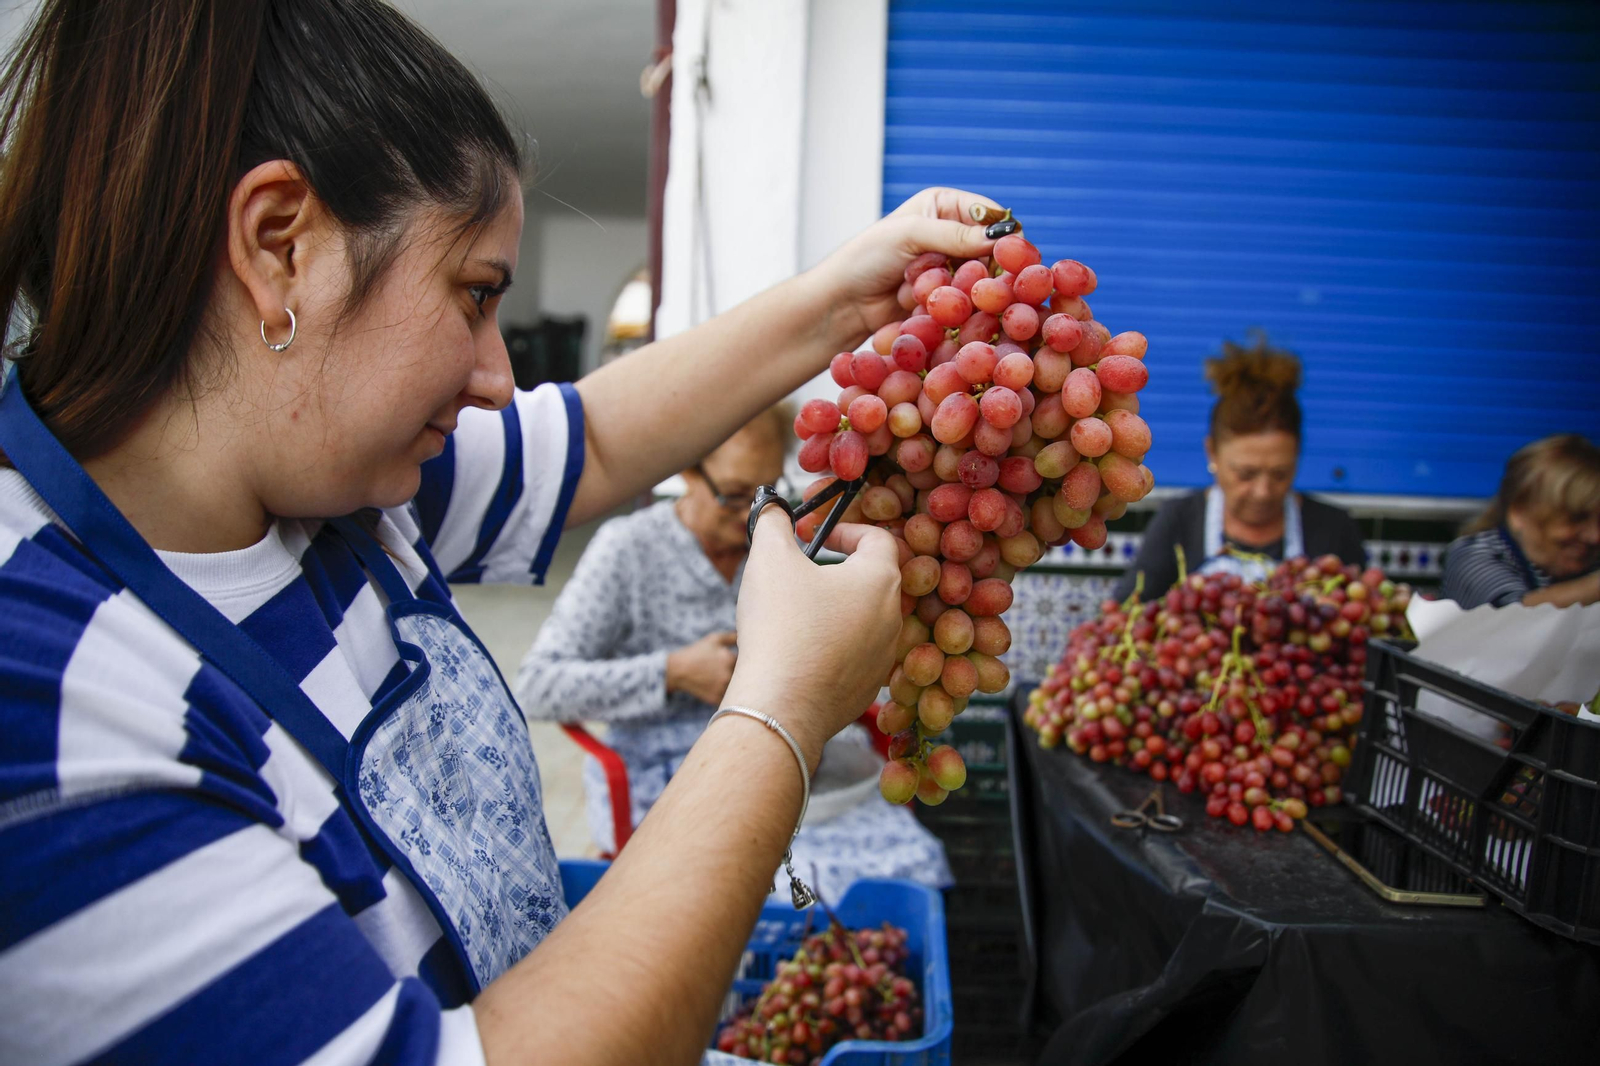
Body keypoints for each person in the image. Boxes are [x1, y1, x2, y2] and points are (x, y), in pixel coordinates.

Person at [0, 3, 1006, 1062]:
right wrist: (780, 712)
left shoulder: (343, 490)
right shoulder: (50, 705)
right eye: (472, 294)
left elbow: (599, 439)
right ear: (278, 243)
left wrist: (848, 299)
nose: (498, 376)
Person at [514, 407, 952, 897]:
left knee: (903, 865)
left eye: (767, 493)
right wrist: (673, 672)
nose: (756, 514)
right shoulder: (628, 549)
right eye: (735, 494)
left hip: (799, 763)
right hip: (670, 771)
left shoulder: (783, 541)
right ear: (687, 471)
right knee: (745, 888)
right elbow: (538, 684)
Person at [1112, 335, 1365, 602]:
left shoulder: (1334, 529)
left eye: (1280, 473)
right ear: (1212, 453)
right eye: (1246, 474)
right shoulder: (1179, 521)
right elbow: (1125, 612)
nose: (1263, 492)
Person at [1440, 434, 1600, 609]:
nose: (1595, 536)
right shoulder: (1473, 555)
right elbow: (1514, 617)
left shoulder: (1587, 567)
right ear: (1519, 512)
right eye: (1576, 518)